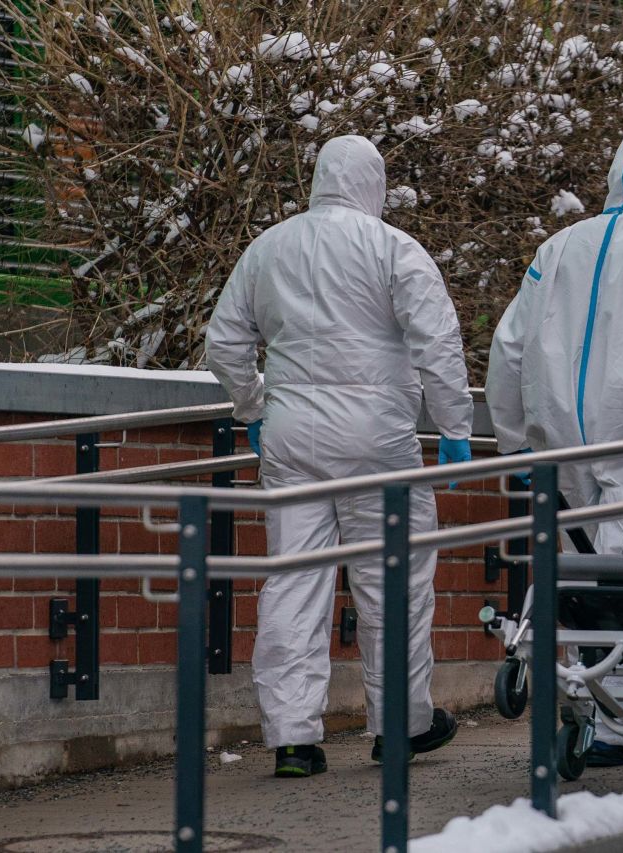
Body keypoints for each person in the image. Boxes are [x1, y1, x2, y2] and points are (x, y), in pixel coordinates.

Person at [206, 134, 474, 778]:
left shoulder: (269, 248)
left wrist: (253, 410)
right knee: (394, 583)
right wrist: (455, 426)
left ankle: (292, 737)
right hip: (378, 442)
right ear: (374, 184)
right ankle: (401, 726)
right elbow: (437, 343)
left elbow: (224, 342)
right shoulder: (393, 249)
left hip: (294, 438)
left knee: (295, 585)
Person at [486, 117, 623, 765]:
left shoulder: (557, 248)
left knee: (581, 576)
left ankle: (587, 715)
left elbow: (508, 348)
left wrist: (512, 442)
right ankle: (611, 723)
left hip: (558, 442)